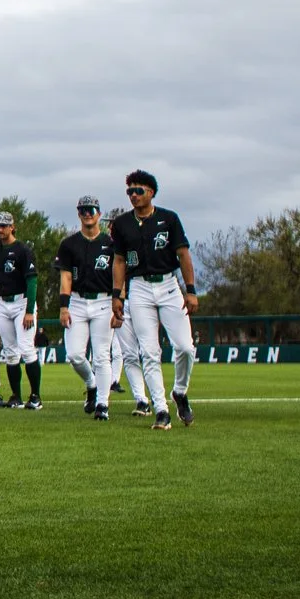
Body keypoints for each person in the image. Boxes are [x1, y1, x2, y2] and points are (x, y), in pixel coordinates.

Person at [110, 171, 199, 429]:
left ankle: (179, 392)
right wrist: (117, 295)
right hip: (138, 287)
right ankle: (161, 409)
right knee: (149, 352)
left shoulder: (169, 219)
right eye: (130, 191)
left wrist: (190, 290)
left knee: (185, 347)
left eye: (138, 190)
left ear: (151, 192)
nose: (133, 195)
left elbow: (183, 254)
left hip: (168, 285)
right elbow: (119, 260)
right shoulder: (122, 224)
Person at [58, 197, 122, 419]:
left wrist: (118, 304)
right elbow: (66, 277)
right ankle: (91, 383)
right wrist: (63, 307)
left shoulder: (111, 244)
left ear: (98, 214)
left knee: (102, 356)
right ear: (79, 214)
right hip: (77, 301)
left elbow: (119, 276)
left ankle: (102, 404)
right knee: (74, 355)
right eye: (83, 210)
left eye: (91, 210)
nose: (87, 214)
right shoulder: (69, 244)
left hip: (104, 301)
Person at [0, 211, 41, 409]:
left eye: (4, 226)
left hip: (21, 302)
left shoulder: (22, 250)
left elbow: (32, 280)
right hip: (2, 302)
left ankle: (35, 396)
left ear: (12, 227)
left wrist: (29, 310)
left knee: (27, 348)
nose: (0, 229)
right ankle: (16, 396)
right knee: (10, 352)